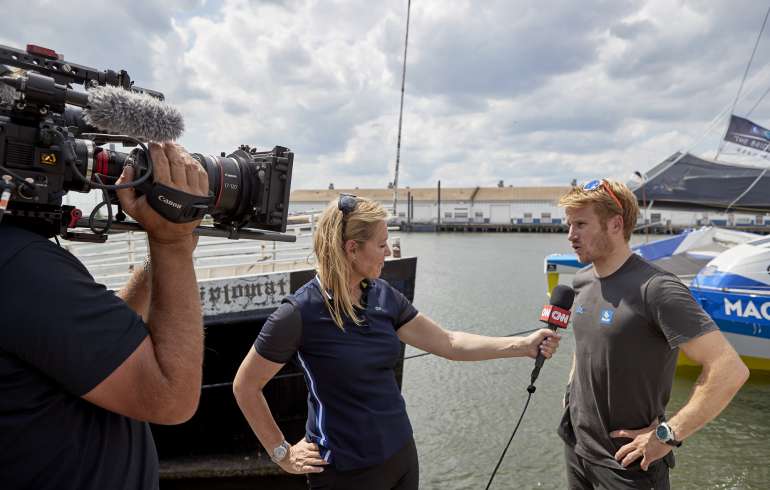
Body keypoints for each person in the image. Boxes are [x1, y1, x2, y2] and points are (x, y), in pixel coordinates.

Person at [233, 194, 562, 490]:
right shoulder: (299, 313)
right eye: (381, 244)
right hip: (346, 472)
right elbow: (246, 386)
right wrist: (282, 452)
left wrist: (523, 346)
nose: (389, 252)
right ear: (352, 248)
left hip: (401, 457)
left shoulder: (382, 296)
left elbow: (448, 343)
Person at [0, 142, 208, 489]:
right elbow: (172, 399)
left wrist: (167, 254)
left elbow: (100, 354)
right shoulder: (18, 267)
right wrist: (171, 244)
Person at [557, 179, 750, 489]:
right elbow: (584, 348)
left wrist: (667, 435)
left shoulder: (657, 289)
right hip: (577, 449)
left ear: (615, 224)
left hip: (628, 465)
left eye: (581, 224)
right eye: (568, 224)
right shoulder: (581, 281)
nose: (570, 235)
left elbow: (730, 371)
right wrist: (570, 397)